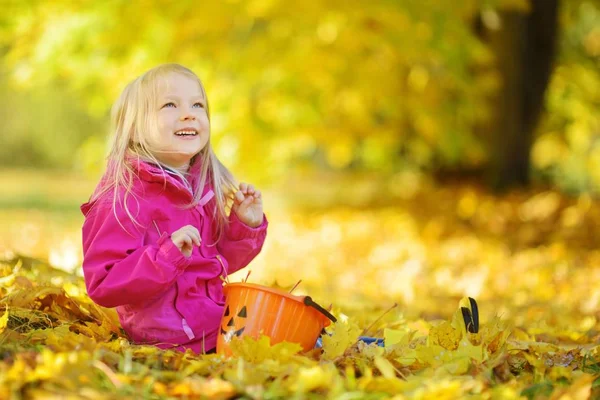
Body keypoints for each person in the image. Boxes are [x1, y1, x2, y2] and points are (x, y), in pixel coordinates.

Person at [80, 63, 268, 354]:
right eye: (170, 104)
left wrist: (244, 226)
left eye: (197, 104)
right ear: (135, 128)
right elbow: (104, 283)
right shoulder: (123, 196)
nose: (188, 113)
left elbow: (218, 262)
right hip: (170, 340)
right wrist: (165, 257)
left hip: (217, 324)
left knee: (295, 326)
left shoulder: (202, 186)